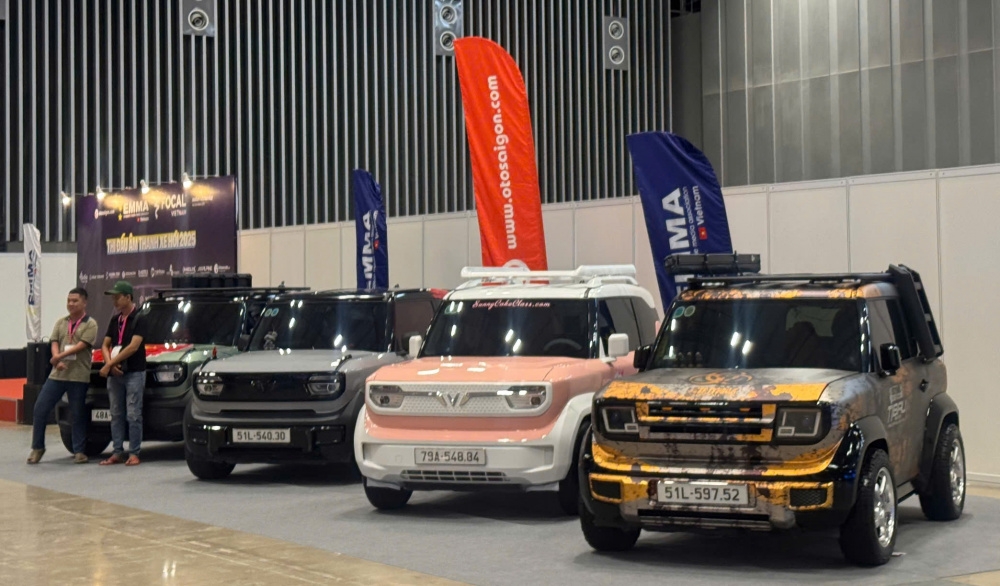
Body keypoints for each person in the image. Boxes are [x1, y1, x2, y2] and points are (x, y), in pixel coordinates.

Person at [26, 288, 99, 464]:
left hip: (78, 376)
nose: (71, 304)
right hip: (57, 375)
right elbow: (54, 342)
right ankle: (37, 447)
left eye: (75, 301)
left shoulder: (90, 324)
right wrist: (56, 358)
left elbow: (81, 345)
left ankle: (79, 451)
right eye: (69, 301)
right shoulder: (61, 322)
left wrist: (59, 356)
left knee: (77, 413)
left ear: (84, 302)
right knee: (40, 408)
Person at [98, 281, 147, 466]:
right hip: (115, 373)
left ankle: (134, 452)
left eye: (117, 297)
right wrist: (109, 364)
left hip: (134, 371)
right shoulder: (115, 320)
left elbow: (134, 346)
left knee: (133, 414)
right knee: (116, 413)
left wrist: (110, 364)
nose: (115, 301)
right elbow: (105, 345)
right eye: (113, 297)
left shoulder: (139, 318)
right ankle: (117, 451)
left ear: (128, 297)